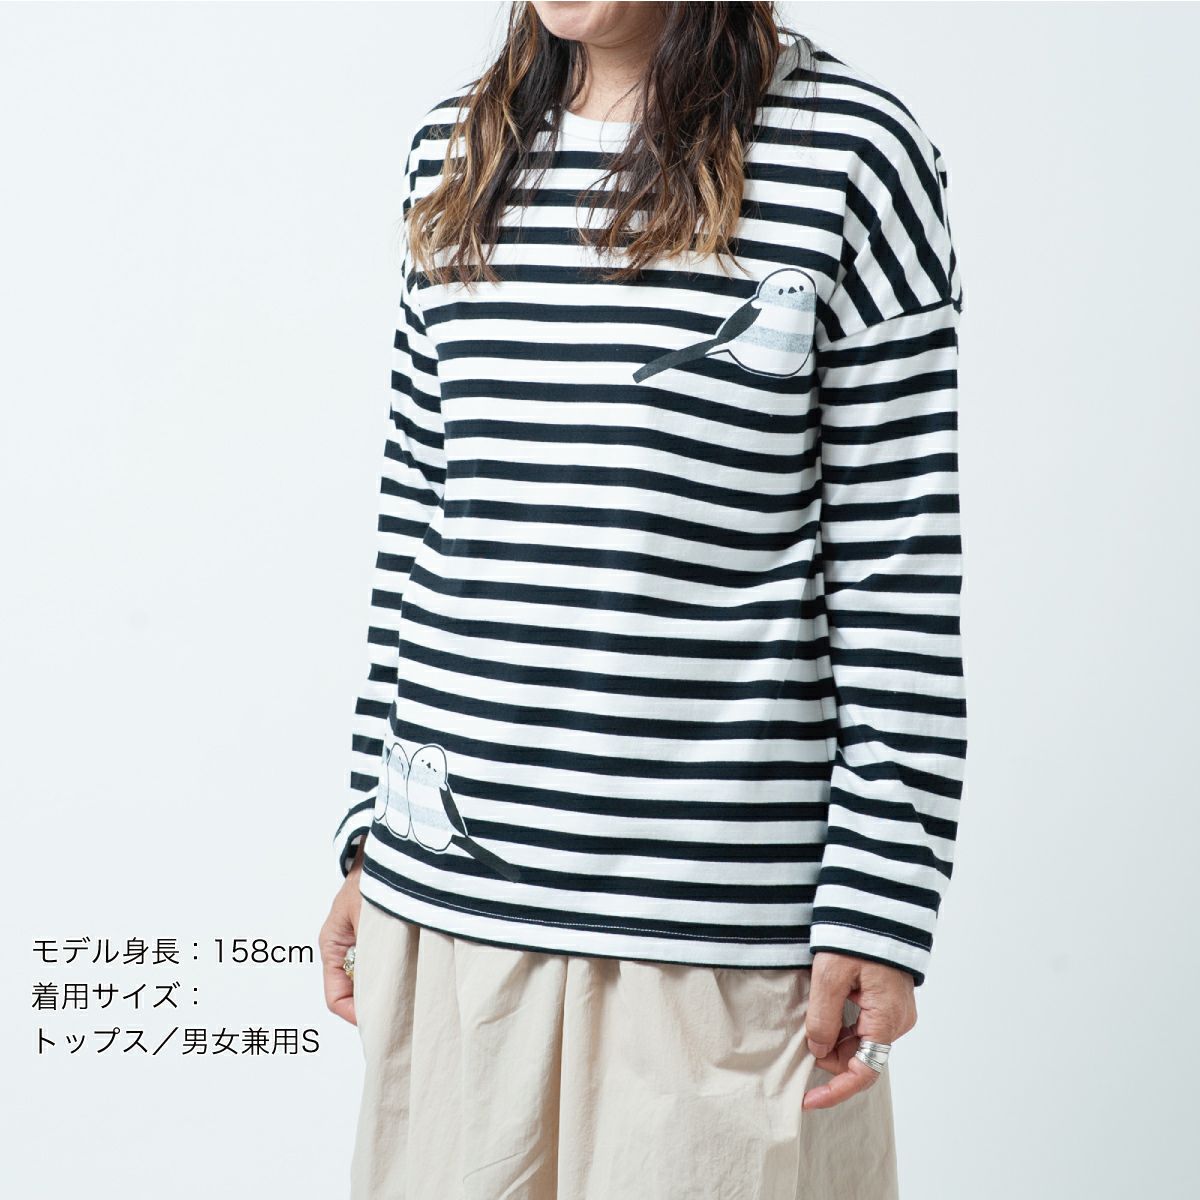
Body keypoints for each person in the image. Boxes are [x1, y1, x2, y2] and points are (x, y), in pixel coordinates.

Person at [319, 2, 967, 1197]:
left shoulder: (849, 151)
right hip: (455, 901)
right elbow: (420, 515)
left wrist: (881, 902)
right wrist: (370, 825)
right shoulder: (455, 152)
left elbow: (897, 568)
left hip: (721, 933)